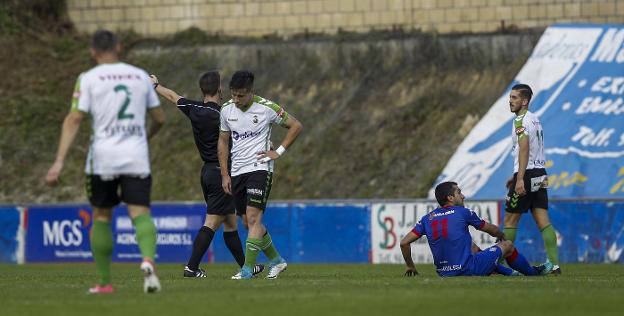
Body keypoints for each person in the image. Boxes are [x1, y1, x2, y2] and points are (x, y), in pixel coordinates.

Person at [44, 30, 165, 294]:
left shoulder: (87, 79)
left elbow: (74, 119)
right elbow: (159, 118)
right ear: (119, 47)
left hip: (102, 158)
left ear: (92, 51)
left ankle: (104, 283)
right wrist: (145, 137)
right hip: (135, 156)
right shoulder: (140, 77)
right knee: (140, 213)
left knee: (101, 216)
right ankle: (147, 260)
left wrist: (59, 161)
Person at [149, 72, 264, 278]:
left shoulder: (194, 109)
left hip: (207, 172)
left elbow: (173, 97)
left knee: (230, 222)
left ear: (202, 90)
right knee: (212, 221)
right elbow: (242, 136)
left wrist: (156, 86)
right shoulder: (224, 114)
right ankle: (191, 268)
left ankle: (247, 266)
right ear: (220, 90)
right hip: (222, 173)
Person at [218, 70, 303, 280]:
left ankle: (247, 270)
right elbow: (223, 142)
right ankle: (277, 261)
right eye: (233, 95)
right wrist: (224, 174)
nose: (236, 100)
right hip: (237, 170)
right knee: (248, 223)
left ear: (251, 92)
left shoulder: (267, 108)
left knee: (255, 218)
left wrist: (278, 151)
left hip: (260, 168)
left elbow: (296, 125)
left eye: (241, 95)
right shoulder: (226, 109)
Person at [400, 181, 553, 277]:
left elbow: (404, 243)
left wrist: (410, 266)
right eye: (459, 192)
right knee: (507, 246)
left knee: (473, 247)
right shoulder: (463, 212)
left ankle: (509, 273)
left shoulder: (427, 218)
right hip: (466, 269)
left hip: (444, 273)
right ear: (450, 198)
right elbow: (491, 230)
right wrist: (501, 235)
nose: (463, 196)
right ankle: (534, 273)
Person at [503, 84, 561, 274]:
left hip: (527, 174)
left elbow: (524, 148)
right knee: (543, 221)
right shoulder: (535, 119)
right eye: (510, 97)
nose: (510, 101)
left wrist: (520, 179)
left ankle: (499, 264)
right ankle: (554, 265)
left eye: (514, 98)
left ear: (525, 101)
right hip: (541, 173)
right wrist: (515, 176)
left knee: (510, 221)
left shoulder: (520, 120)